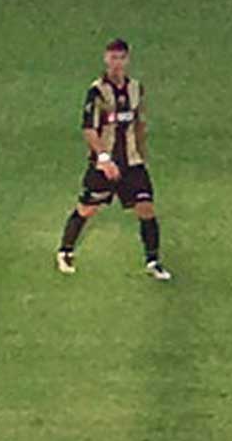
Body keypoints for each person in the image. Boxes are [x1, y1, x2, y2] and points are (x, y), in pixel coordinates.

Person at [57, 39, 173, 281]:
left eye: (121, 58)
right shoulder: (97, 91)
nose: (117, 64)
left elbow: (139, 122)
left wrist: (141, 153)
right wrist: (103, 157)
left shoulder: (136, 89)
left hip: (132, 163)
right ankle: (65, 251)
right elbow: (89, 128)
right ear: (105, 59)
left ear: (127, 60)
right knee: (88, 208)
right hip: (104, 164)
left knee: (146, 207)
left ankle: (153, 260)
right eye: (113, 58)